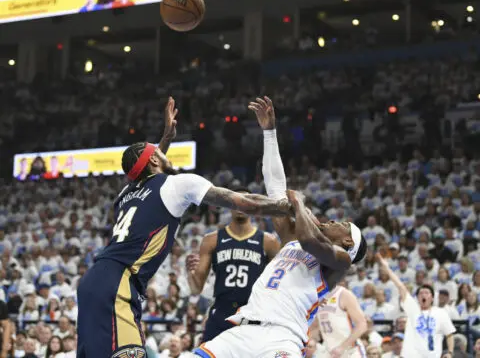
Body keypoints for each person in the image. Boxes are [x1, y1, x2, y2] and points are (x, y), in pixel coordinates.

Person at [76, 97, 293, 358]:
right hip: (118, 284)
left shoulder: (124, 194)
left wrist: (165, 138)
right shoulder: (179, 184)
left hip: (93, 282)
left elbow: (148, 170)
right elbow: (241, 200)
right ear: (155, 160)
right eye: (157, 151)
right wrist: (285, 207)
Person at [193, 97, 367, 358]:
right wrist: (270, 133)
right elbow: (275, 188)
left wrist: (298, 203)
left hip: (281, 337)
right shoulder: (292, 240)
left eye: (340, 225)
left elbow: (311, 241)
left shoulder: (339, 262)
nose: (332, 221)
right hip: (242, 330)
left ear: (347, 243)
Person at [186, 186, 280, 342]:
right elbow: (196, 289)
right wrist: (189, 272)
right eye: (237, 201)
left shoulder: (268, 241)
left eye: (246, 201)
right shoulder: (211, 240)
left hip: (253, 312)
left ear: (253, 205)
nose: (241, 206)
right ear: (229, 205)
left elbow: (277, 287)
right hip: (221, 311)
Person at [377, 254, 455, 358]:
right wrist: (387, 269)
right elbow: (401, 287)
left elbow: (449, 334)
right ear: (417, 298)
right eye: (421, 293)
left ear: (432, 298)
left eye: (427, 293)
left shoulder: (440, 313)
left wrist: (449, 352)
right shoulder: (412, 309)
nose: (423, 295)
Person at [316, 281, 368, 357]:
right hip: (330, 351)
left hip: (350, 351)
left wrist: (342, 347)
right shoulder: (317, 297)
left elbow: (362, 325)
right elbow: (314, 327)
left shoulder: (343, 294)